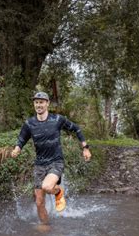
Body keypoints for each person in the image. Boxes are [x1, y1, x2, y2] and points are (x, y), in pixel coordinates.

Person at [11, 91, 91, 224]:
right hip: (39, 165)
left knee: (47, 187)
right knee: (39, 202)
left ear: (47, 104)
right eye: (36, 102)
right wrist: (17, 149)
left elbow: (76, 129)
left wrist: (85, 147)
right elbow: (22, 139)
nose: (38, 105)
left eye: (41, 102)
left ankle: (58, 191)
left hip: (56, 162)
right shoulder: (29, 123)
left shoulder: (57, 119)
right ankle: (45, 227)